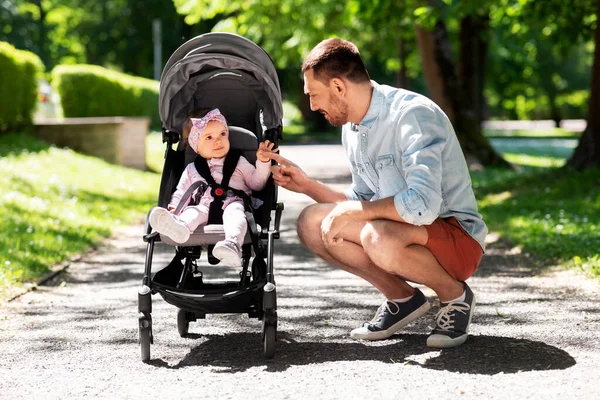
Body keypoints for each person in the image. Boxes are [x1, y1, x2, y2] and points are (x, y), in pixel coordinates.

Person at [269, 38, 488, 348]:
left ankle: (455, 296)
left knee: (377, 234)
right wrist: (305, 186)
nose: (313, 106)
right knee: (311, 223)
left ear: (339, 88)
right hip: (401, 232)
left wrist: (355, 211)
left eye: (314, 95)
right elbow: (363, 201)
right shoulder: (353, 128)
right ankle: (402, 299)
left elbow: (422, 206)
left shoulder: (412, 116)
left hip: (456, 238)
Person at [149, 108, 278, 267]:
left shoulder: (239, 161)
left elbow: (256, 184)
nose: (218, 141)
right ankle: (179, 227)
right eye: (209, 137)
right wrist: (173, 209)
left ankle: (232, 244)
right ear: (196, 145)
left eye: (223, 134)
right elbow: (182, 193)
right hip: (203, 206)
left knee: (236, 214)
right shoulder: (192, 168)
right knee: (191, 212)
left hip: (233, 201)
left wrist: (263, 162)